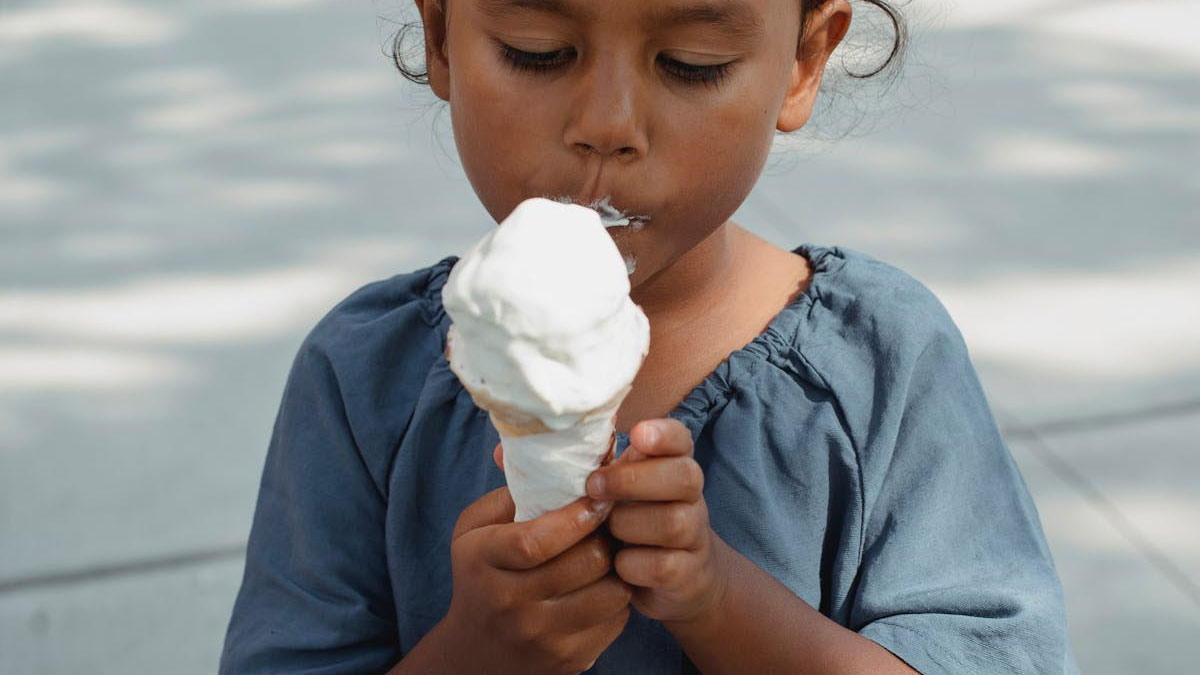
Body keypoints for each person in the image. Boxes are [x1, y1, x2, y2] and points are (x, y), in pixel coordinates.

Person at [220, 0, 1079, 672]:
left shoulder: (882, 365)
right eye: (537, 50)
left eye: (690, 64)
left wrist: (715, 597)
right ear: (442, 36)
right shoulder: (363, 380)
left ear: (802, 63)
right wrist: (482, 652)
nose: (608, 122)